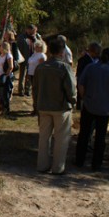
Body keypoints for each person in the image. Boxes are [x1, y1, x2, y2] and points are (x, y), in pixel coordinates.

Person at [74, 48, 109, 171]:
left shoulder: (90, 68)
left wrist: (84, 97)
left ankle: (79, 160)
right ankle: (96, 164)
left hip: (89, 106)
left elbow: (80, 84)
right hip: (105, 109)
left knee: (84, 134)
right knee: (100, 137)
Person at [33, 36, 77, 175]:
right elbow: (71, 88)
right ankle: (58, 168)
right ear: (62, 52)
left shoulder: (40, 67)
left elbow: (35, 88)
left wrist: (36, 104)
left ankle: (42, 165)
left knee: (43, 137)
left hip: (43, 106)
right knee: (61, 139)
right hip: (61, 107)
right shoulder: (64, 68)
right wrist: (73, 101)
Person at [76, 42, 102, 111]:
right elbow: (80, 77)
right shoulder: (83, 61)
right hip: (86, 90)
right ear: (91, 51)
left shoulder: (101, 60)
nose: (98, 54)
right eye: (96, 53)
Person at [16, 24, 39, 96]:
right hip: (24, 59)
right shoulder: (22, 37)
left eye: (34, 30)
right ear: (27, 30)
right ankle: (21, 90)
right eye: (32, 30)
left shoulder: (37, 37)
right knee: (22, 75)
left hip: (33, 59)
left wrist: (36, 39)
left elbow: (40, 44)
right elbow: (18, 48)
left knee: (30, 75)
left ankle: (28, 89)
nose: (33, 32)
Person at [27, 40, 47, 115]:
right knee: (34, 92)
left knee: (37, 92)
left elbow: (42, 67)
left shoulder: (42, 55)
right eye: (35, 46)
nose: (35, 47)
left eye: (37, 46)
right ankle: (35, 108)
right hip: (31, 74)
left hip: (37, 75)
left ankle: (38, 109)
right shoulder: (34, 54)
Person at [0, 40, 15, 117]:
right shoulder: (1, 55)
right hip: (0, 76)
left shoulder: (9, 56)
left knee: (6, 94)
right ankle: (2, 109)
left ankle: (6, 110)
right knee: (1, 93)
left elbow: (11, 67)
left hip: (6, 77)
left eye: (0, 46)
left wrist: (6, 76)